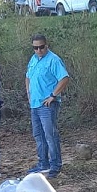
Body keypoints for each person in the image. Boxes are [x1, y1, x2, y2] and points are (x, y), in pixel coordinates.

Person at [26, 33, 70, 178]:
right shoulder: (33, 59)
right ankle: (43, 162)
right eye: (35, 48)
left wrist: (53, 95)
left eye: (41, 47)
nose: (39, 50)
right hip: (35, 103)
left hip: (47, 104)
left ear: (47, 45)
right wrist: (29, 92)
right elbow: (28, 76)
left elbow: (64, 78)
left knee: (50, 134)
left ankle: (55, 165)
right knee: (38, 134)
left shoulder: (54, 60)